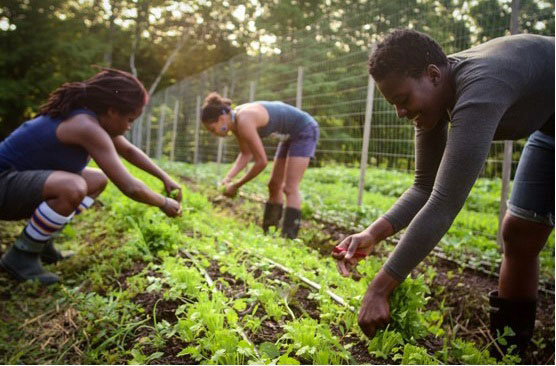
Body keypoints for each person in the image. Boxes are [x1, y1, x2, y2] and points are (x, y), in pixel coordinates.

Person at [332, 29, 554, 356]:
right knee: (519, 233)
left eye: (403, 100)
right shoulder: (434, 101)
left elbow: (444, 203)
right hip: (549, 130)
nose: (401, 113)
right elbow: (424, 187)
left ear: (433, 75)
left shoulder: (480, 88)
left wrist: (379, 288)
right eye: (394, 104)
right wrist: (372, 234)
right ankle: (510, 356)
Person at [0, 68, 183, 285]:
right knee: (73, 186)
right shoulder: (85, 126)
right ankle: (21, 256)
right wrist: (163, 202)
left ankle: (41, 241)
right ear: (112, 111)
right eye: (130, 119)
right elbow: (130, 187)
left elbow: (129, 151)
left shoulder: (92, 118)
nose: (129, 126)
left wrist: (164, 177)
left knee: (95, 181)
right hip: (4, 183)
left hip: (14, 183)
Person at [201, 93, 319, 239]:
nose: (215, 134)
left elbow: (261, 162)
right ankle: (269, 234)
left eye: (213, 129)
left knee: (290, 188)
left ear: (222, 118)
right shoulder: (235, 122)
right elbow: (246, 154)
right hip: (288, 135)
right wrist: (228, 178)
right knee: (274, 185)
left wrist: (236, 185)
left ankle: (289, 239)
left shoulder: (244, 121)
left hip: (304, 129)